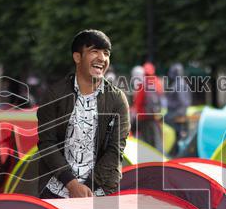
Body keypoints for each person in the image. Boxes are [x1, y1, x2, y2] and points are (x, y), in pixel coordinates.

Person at [36, 29, 130, 199]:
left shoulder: (117, 99)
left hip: (101, 191)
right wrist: (72, 184)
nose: (102, 58)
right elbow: (47, 144)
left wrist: (87, 188)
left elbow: (115, 150)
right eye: (94, 51)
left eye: (106, 53)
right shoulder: (54, 95)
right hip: (56, 189)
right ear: (77, 57)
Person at [133, 62, 164, 153]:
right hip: (154, 117)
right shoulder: (157, 82)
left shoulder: (145, 84)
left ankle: (151, 162)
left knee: (149, 142)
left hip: (145, 117)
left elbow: (139, 101)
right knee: (155, 140)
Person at [165, 63, 191, 156]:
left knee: (164, 122)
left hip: (177, 112)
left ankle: (173, 151)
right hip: (176, 112)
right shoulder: (179, 83)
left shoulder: (179, 84)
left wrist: (179, 112)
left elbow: (183, 101)